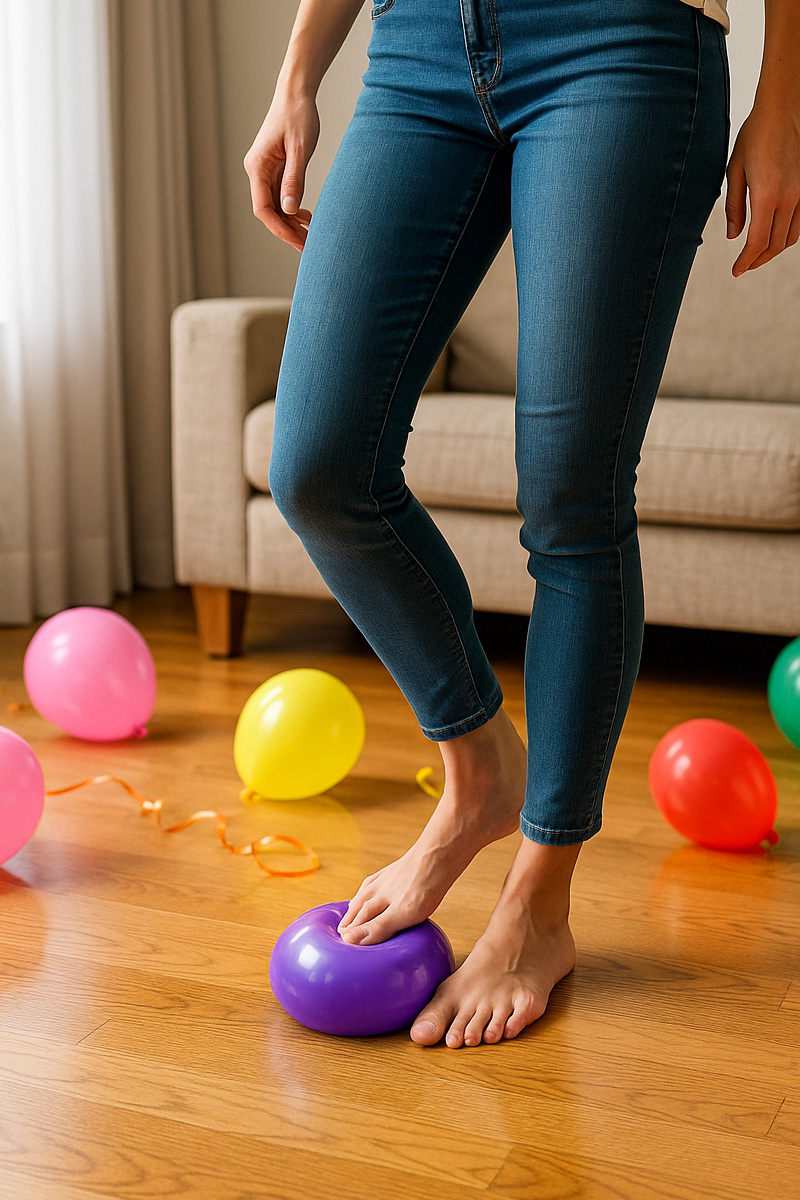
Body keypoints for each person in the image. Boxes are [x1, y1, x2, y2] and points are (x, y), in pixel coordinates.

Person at [245, 0, 800, 1049]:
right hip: (416, 43)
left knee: (571, 499)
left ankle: (539, 902)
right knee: (318, 464)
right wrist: (296, 75)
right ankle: (479, 771)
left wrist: (783, 106)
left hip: (621, 42)